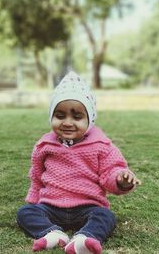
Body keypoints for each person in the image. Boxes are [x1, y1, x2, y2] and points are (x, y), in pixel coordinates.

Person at [17, 71, 141, 254]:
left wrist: (120, 180)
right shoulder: (44, 145)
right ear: (51, 116)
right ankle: (52, 233)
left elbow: (111, 171)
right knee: (25, 213)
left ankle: (84, 238)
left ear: (90, 119)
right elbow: (36, 175)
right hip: (51, 206)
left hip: (88, 206)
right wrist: (34, 200)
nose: (67, 122)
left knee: (105, 216)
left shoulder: (101, 146)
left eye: (77, 117)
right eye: (60, 115)